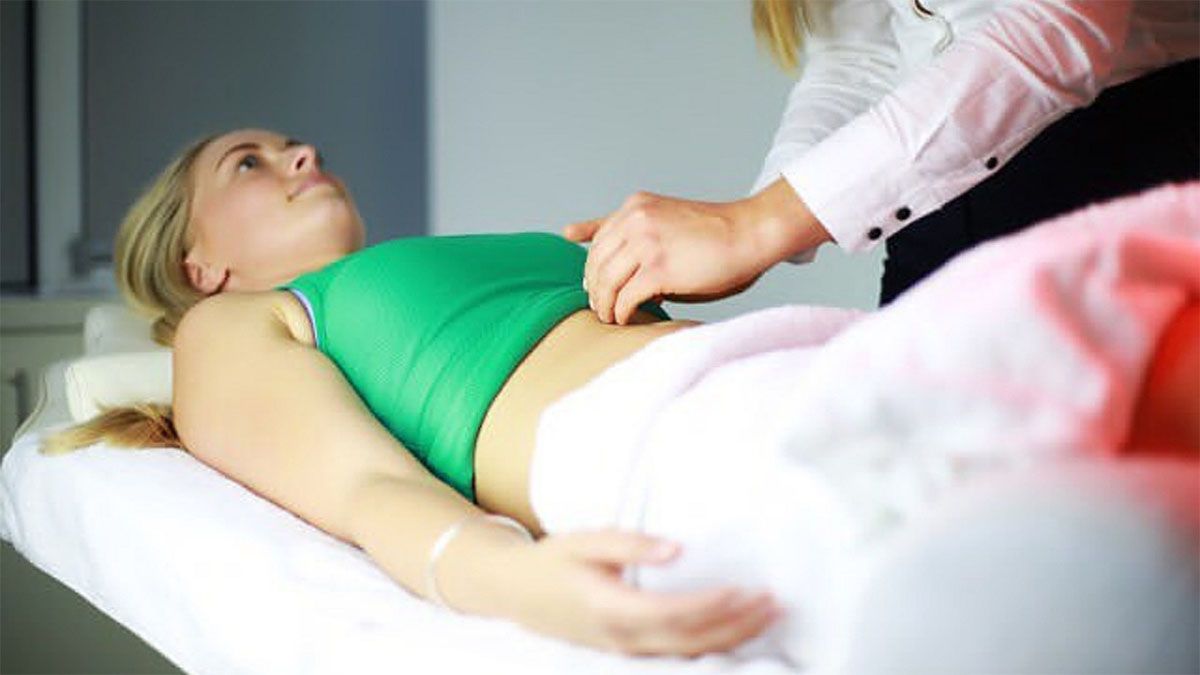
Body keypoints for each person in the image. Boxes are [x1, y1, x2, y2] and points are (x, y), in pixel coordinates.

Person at [40, 128, 1199, 668]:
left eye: (294, 146)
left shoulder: (451, 257)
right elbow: (361, 490)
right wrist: (507, 580)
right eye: (249, 163)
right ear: (198, 262)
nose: (301, 156)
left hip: (795, 364)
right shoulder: (234, 329)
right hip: (677, 442)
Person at [565, 0, 1199, 324]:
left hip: (1135, 167)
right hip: (937, 201)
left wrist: (756, 227)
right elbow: (858, 57)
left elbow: (1057, 24)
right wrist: (748, 227)